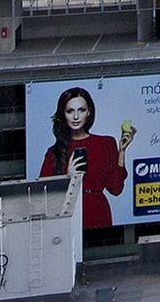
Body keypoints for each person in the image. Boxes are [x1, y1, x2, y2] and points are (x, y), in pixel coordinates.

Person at [36, 85, 128, 229]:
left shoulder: (106, 144)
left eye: (81, 110)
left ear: (89, 112)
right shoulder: (54, 152)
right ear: (63, 114)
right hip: (68, 214)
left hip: (98, 212)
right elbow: (43, 198)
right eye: (70, 111)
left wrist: (121, 152)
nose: (76, 117)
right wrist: (69, 178)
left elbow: (115, 189)